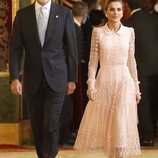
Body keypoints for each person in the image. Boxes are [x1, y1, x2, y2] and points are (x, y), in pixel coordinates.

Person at [9, 0, 78, 158]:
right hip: (32, 79)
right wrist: (14, 77)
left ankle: (50, 156)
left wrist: (71, 78)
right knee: (38, 125)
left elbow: (71, 48)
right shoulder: (22, 15)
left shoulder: (65, 13)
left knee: (51, 124)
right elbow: (15, 49)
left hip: (57, 78)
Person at [74, 0, 141, 158]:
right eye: (112, 9)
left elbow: (132, 61)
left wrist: (137, 88)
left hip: (124, 81)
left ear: (123, 12)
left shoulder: (130, 32)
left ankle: (120, 155)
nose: (115, 12)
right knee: (110, 125)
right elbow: (92, 62)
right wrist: (91, 86)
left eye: (119, 9)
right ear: (106, 12)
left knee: (121, 121)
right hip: (104, 80)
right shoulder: (98, 32)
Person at [124, 0, 158, 146]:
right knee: (155, 101)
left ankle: (148, 136)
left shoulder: (127, 24)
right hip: (156, 66)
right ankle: (154, 131)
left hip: (140, 69)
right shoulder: (155, 18)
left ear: (127, 6)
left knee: (143, 103)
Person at [59, 1, 88, 146]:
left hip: (68, 71)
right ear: (85, 14)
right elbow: (73, 55)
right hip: (70, 72)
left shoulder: (72, 27)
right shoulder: (73, 29)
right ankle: (64, 134)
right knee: (67, 104)